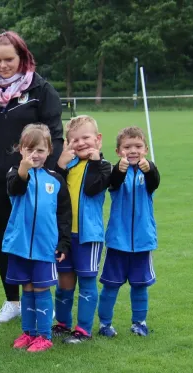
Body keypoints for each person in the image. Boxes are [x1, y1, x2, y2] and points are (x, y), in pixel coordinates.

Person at [0, 31, 64, 323]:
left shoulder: (41, 90)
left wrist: (49, 172)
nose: (3, 65)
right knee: (5, 241)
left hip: (35, 184)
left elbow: (56, 136)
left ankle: (41, 300)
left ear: (22, 57)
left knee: (37, 238)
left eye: (9, 59)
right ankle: (13, 302)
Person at [3, 124, 71, 352]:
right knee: (28, 289)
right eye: (29, 149)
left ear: (50, 150)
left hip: (45, 247)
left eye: (40, 150)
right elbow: (16, 189)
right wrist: (23, 169)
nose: (35, 154)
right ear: (20, 150)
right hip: (20, 246)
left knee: (41, 289)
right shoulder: (15, 174)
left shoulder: (55, 180)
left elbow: (64, 214)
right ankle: (28, 333)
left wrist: (63, 243)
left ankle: (44, 335)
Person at [52, 115, 112, 344]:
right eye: (74, 140)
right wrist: (60, 165)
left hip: (89, 235)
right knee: (64, 282)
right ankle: (62, 324)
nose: (80, 143)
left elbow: (91, 188)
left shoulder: (104, 167)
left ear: (98, 139)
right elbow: (53, 189)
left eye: (85, 138)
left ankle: (83, 329)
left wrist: (95, 162)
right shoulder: (68, 166)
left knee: (86, 282)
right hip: (65, 235)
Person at [97, 126, 160, 337]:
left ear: (146, 149)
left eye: (138, 146)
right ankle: (105, 324)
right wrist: (119, 169)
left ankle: (139, 322)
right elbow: (113, 182)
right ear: (118, 151)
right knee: (110, 285)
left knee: (140, 285)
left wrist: (149, 168)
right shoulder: (116, 172)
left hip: (143, 240)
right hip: (118, 241)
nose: (133, 151)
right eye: (127, 147)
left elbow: (155, 181)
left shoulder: (148, 172)